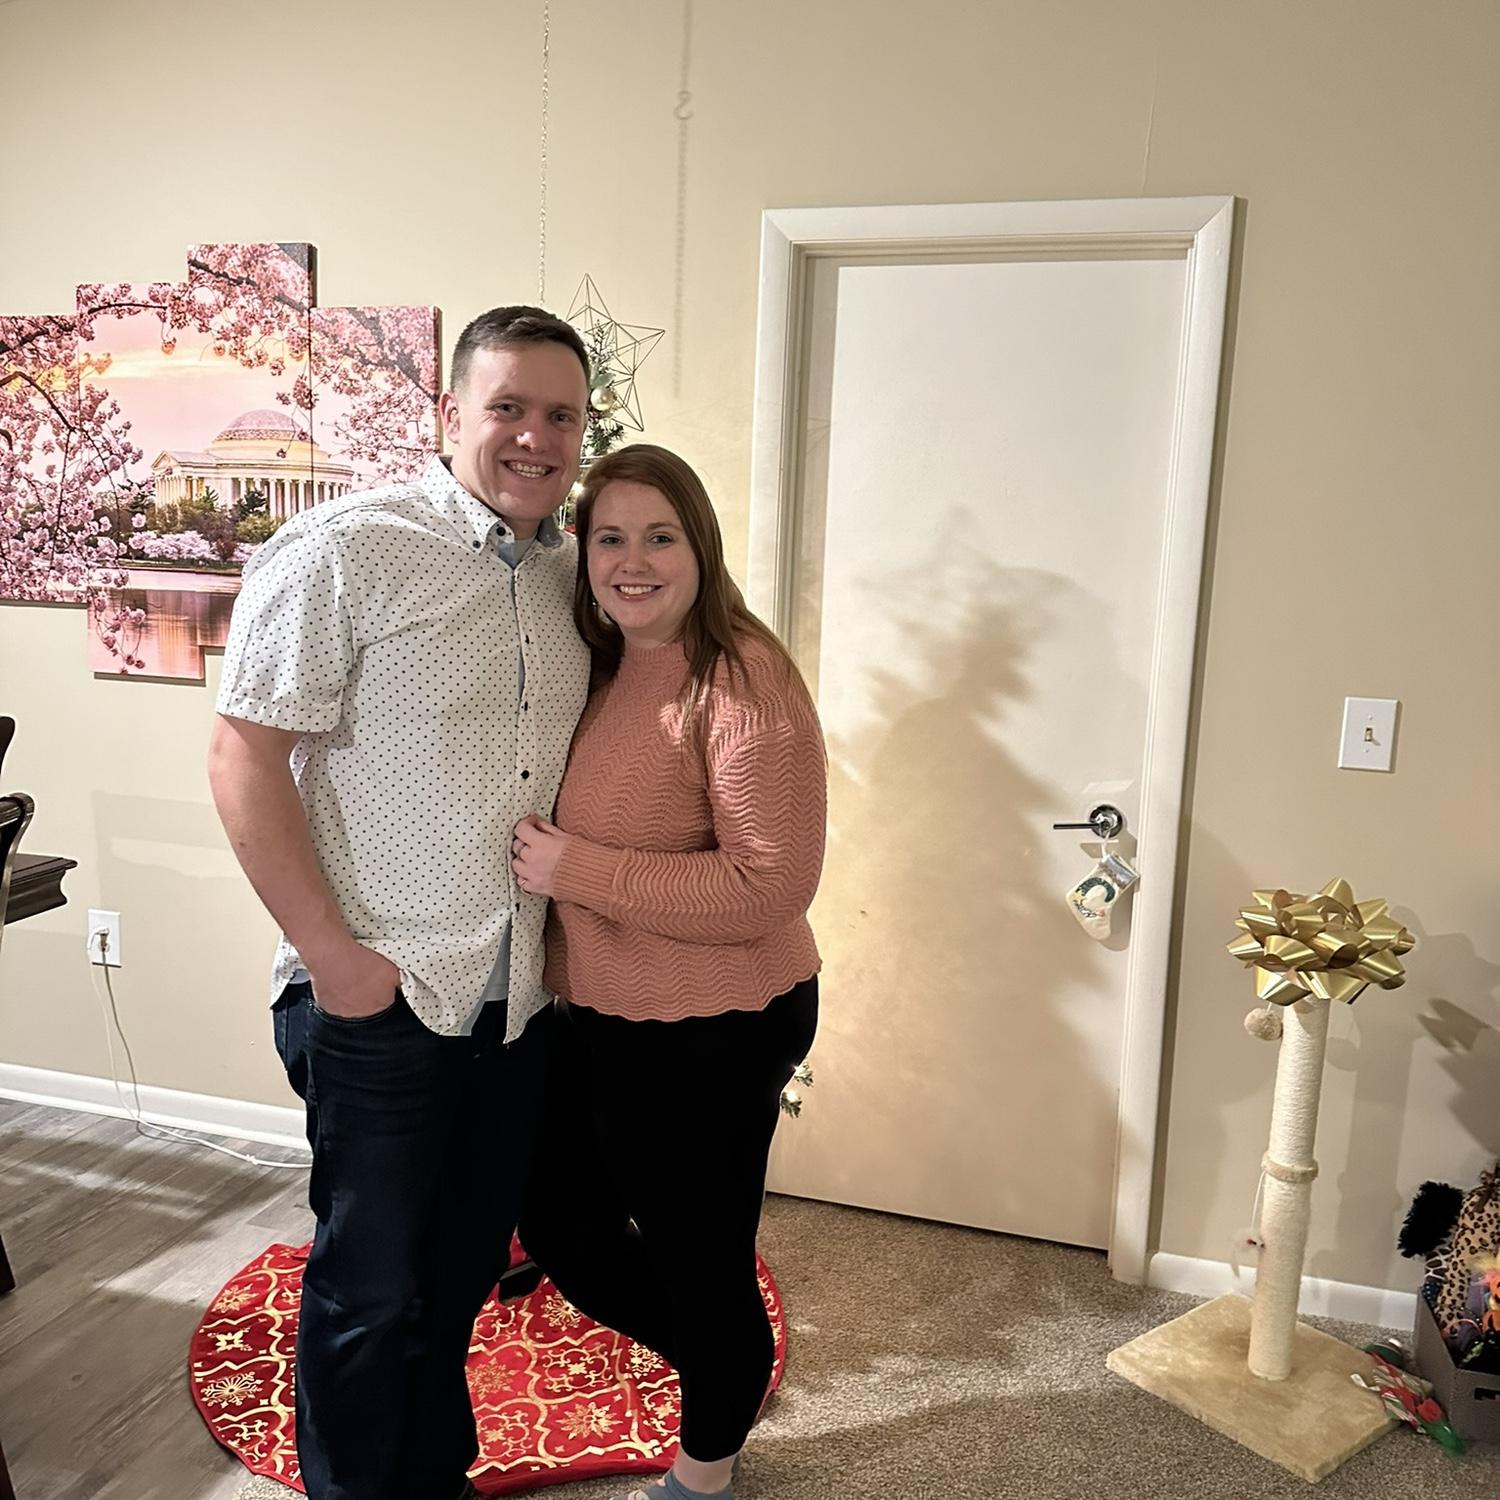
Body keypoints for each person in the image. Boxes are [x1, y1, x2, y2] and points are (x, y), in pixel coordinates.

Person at [206, 305, 593, 1500]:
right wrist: (332, 957)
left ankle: (432, 1480)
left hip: (516, 1003)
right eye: (507, 407)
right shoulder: (345, 551)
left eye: (561, 415)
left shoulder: (576, 574)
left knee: (459, 1277)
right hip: (381, 995)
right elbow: (242, 757)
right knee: (366, 1293)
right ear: (447, 413)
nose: (534, 436)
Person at [511, 443, 826, 1500]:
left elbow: (769, 885)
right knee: (562, 1222)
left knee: (701, 1255)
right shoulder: (605, 662)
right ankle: (721, 1361)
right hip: (605, 1011)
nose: (632, 561)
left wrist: (575, 870)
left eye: (659, 537)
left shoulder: (741, 680)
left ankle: (704, 1471)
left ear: (701, 548)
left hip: (716, 1022)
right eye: (610, 538)